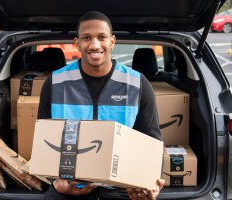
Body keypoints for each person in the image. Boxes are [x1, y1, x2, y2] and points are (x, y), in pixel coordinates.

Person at [38, 10, 165, 200]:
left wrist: (148, 182)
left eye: (102, 37)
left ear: (112, 41)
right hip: (69, 185)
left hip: (122, 187)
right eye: (87, 38)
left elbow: (152, 140)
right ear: (77, 43)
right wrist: (56, 182)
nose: (95, 44)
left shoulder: (137, 83)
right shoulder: (55, 82)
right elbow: (44, 142)